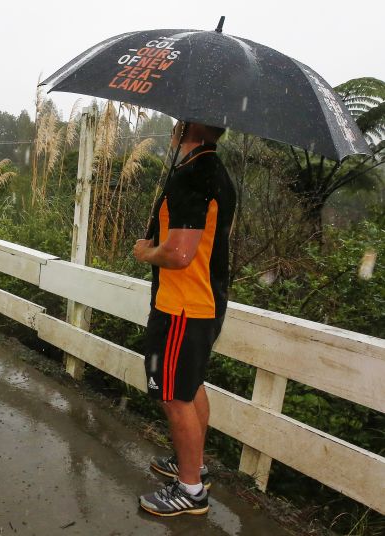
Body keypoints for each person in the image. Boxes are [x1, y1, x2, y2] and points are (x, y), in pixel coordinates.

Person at [133, 120, 236, 516]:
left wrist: (146, 253)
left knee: (175, 395)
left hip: (182, 306)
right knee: (191, 386)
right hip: (206, 300)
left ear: (189, 128)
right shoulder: (215, 171)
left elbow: (179, 254)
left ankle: (191, 489)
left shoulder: (193, 176)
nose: (173, 127)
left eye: (179, 122)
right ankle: (195, 464)